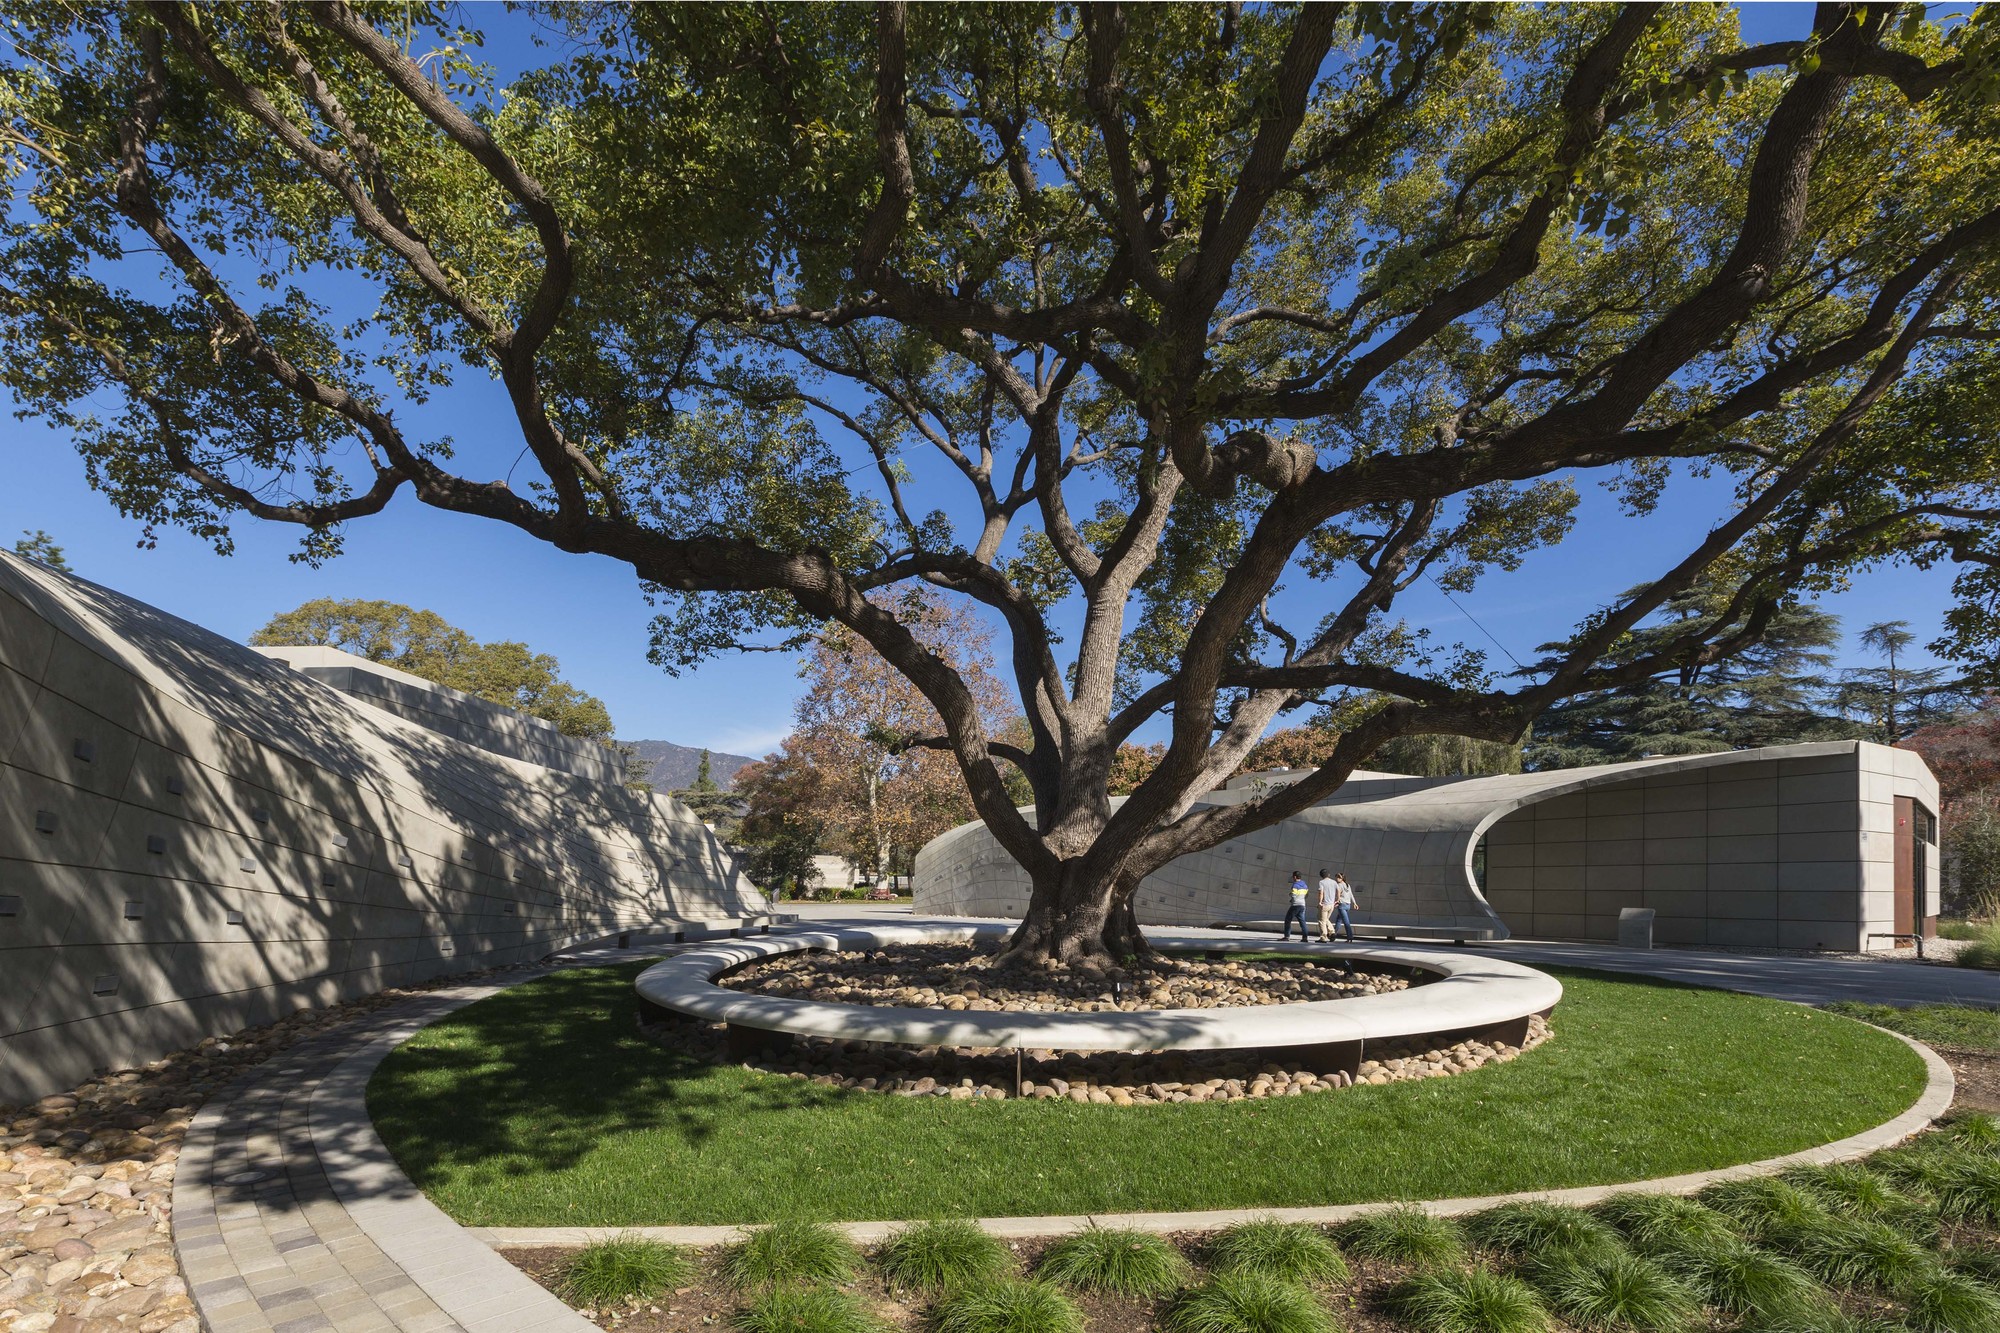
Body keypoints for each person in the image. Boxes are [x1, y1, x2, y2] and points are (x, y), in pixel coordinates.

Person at [1281, 871, 1312, 943]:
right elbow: (1306, 895)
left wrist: (1290, 895)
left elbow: (1293, 895)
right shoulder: (1305, 885)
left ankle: (1287, 936)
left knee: (1288, 920)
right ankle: (1305, 938)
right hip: (1302, 905)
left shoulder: (1295, 885)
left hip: (1295, 905)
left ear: (1294, 877)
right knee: (1302, 921)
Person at [1332, 872, 1357, 943]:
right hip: (1348, 905)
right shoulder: (1348, 885)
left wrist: (1337, 901)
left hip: (1342, 905)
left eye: (1338, 877)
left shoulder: (1339, 885)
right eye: (1336, 877)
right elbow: (1351, 895)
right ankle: (1333, 935)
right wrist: (1354, 903)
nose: (1336, 879)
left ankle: (1350, 937)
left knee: (1346, 922)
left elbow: (1338, 895)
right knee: (1338, 920)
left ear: (1342, 878)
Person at [1316, 868, 1338, 942]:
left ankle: (1323, 937)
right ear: (1329, 875)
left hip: (1324, 904)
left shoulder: (1321, 882)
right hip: (1331, 905)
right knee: (1325, 919)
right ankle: (1332, 932)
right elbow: (1338, 891)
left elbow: (1321, 893)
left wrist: (1320, 902)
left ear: (1321, 875)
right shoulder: (1334, 882)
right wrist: (1337, 900)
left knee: (1321, 921)